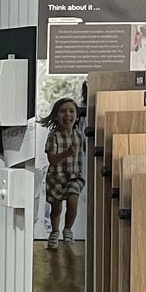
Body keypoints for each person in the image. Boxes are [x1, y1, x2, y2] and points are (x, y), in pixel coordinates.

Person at [43, 97, 84, 248]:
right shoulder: (53, 136)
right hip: (56, 178)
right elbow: (52, 160)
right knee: (56, 209)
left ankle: (68, 229)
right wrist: (66, 153)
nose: (67, 115)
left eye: (71, 111)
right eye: (63, 111)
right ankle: (54, 231)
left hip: (74, 177)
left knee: (73, 201)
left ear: (76, 115)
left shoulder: (79, 136)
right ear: (56, 115)